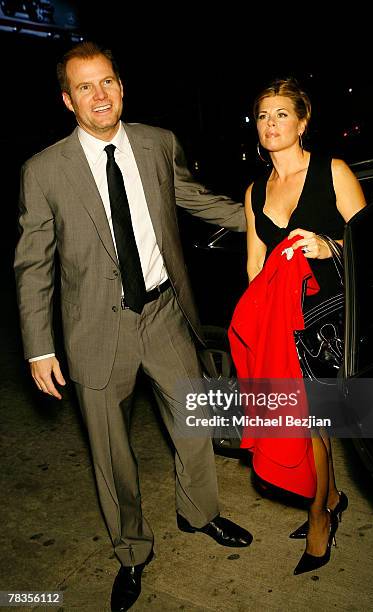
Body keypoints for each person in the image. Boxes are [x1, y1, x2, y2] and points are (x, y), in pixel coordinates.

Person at [14, 41, 252, 612]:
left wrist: (265, 220)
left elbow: (194, 198)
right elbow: (33, 263)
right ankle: (131, 553)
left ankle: (199, 515)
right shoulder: (44, 170)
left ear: (122, 85)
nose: (101, 95)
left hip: (165, 313)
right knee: (112, 453)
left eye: (109, 82)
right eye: (86, 87)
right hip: (96, 330)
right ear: (68, 100)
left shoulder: (156, 143)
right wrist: (38, 346)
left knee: (195, 425)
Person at [230, 77, 366, 575]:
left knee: (310, 423)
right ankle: (331, 496)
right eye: (264, 116)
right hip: (280, 325)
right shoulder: (254, 190)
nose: (271, 124)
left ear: (303, 121)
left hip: (327, 320)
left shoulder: (332, 172)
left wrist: (330, 245)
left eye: (282, 114)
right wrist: (253, 328)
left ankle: (319, 518)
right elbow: (254, 264)